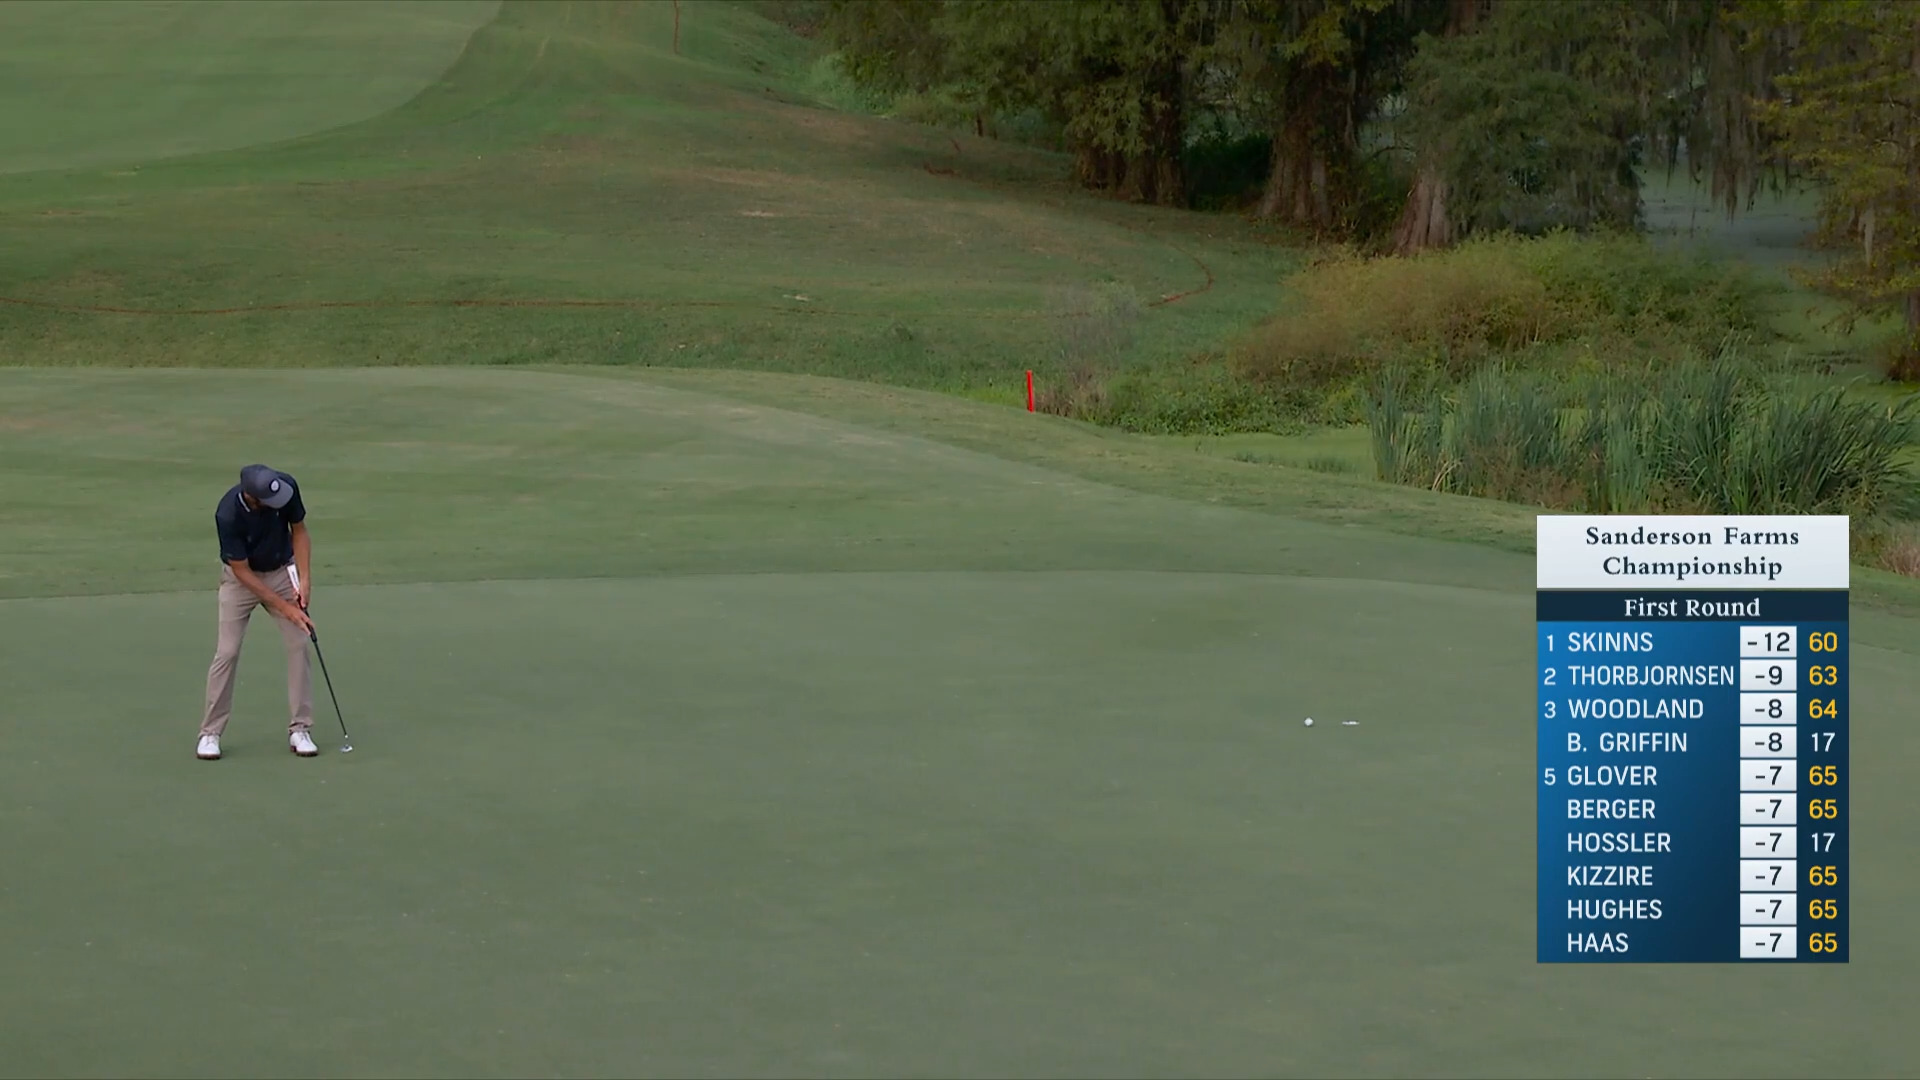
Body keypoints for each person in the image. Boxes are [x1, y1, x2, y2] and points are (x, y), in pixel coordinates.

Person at [197, 464, 318, 760]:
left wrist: (304, 579)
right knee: (227, 652)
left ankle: (300, 728)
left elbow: (299, 532)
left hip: (281, 571)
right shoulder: (228, 513)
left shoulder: (285, 488)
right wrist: (286, 608)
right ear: (252, 498)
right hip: (241, 580)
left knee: (300, 642)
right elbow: (242, 572)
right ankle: (210, 733)